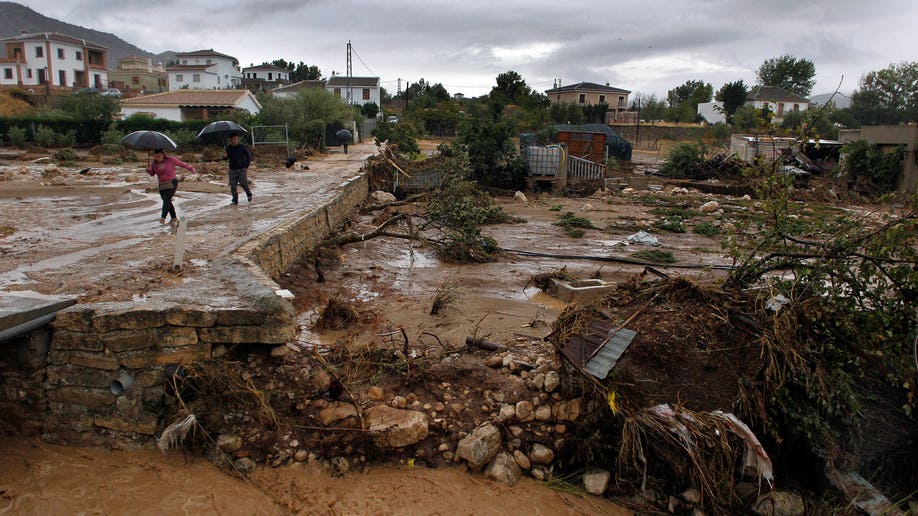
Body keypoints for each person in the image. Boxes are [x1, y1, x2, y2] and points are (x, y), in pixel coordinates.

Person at [147, 148, 194, 224]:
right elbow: (152, 174)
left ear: (163, 155)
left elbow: (181, 164)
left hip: (172, 183)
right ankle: (174, 218)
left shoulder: (170, 160)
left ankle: (163, 217)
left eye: (158, 156)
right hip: (162, 184)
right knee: (167, 201)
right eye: (155, 157)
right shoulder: (154, 163)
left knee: (166, 200)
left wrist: (191, 168)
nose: (157, 158)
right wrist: (148, 170)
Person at [225, 133, 253, 205]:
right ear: (231, 140)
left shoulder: (242, 147)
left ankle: (249, 194)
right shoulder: (228, 148)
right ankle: (235, 200)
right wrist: (224, 156)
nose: (235, 140)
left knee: (243, 183)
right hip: (232, 169)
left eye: (236, 139)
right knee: (233, 185)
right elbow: (226, 158)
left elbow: (248, 156)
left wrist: (246, 166)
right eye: (234, 139)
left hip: (242, 169)